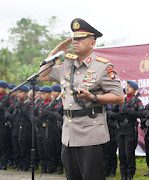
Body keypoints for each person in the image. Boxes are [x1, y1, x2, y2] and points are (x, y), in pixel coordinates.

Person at [39, 18, 123, 180]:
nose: (75, 42)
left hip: (90, 133)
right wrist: (59, 48)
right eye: (74, 38)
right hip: (69, 135)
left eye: (80, 38)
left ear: (92, 43)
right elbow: (43, 74)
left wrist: (93, 97)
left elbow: (119, 97)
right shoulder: (67, 65)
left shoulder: (103, 66)